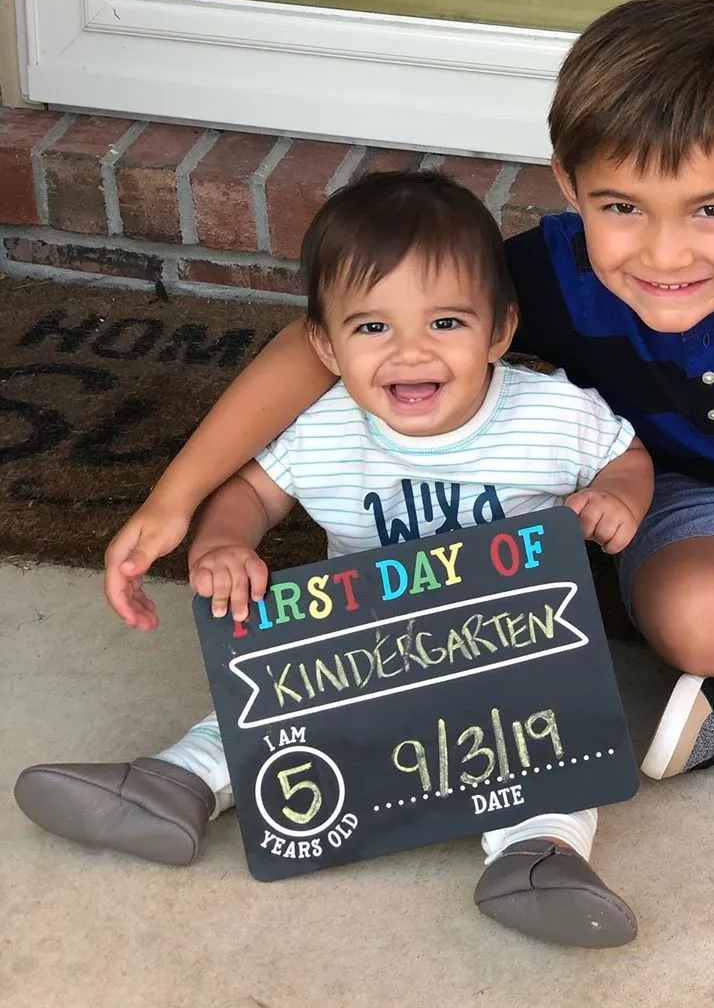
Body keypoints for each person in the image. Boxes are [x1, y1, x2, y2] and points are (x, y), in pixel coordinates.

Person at [92, 0, 714, 779]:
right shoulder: (552, 275)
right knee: (707, 626)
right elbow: (315, 348)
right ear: (569, 186)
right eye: (622, 207)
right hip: (682, 496)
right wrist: (177, 498)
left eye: (713, 210)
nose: (663, 254)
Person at [14, 171, 653, 950]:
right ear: (324, 345)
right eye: (373, 327)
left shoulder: (551, 414)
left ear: (499, 331)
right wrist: (223, 542)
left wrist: (617, 495)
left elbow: (627, 456)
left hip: (508, 656)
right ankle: (174, 784)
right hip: (363, 652)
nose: (411, 350)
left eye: (446, 321)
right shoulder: (325, 429)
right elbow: (251, 492)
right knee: (280, 702)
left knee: (552, 742)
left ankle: (539, 858)